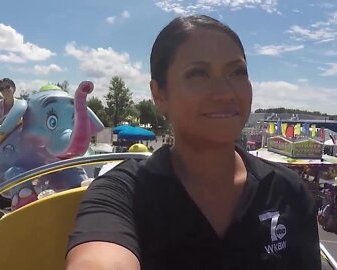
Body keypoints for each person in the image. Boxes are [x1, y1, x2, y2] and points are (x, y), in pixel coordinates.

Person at [66, 15, 321, 269]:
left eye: (237, 72)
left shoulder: (288, 193)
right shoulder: (122, 194)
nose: (224, 93)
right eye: (198, 74)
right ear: (159, 95)